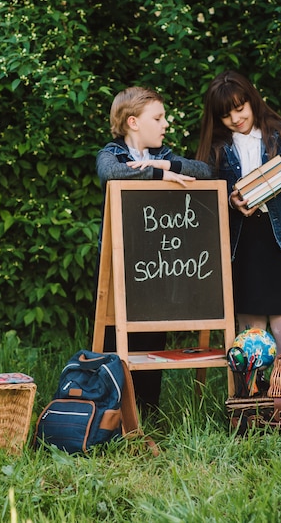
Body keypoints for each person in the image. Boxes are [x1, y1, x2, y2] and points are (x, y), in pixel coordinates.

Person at [96, 86, 212, 414]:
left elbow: (203, 172)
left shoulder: (165, 154)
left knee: (151, 335)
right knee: (112, 338)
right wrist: (160, 174)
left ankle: (148, 409)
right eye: (158, 118)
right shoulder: (112, 154)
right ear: (133, 122)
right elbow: (110, 175)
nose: (165, 124)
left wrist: (167, 165)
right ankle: (110, 410)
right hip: (118, 261)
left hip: (156, 262)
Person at [196, 70, 281, 356]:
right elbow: (205, 195)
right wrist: (228, 200)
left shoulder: (280, 132)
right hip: (242, 243)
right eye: (227, 115)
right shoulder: (217, 147)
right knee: (251, 333)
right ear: (217, 118)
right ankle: (253, 397)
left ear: (251, 100)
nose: (236, 119)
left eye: (240, 109)